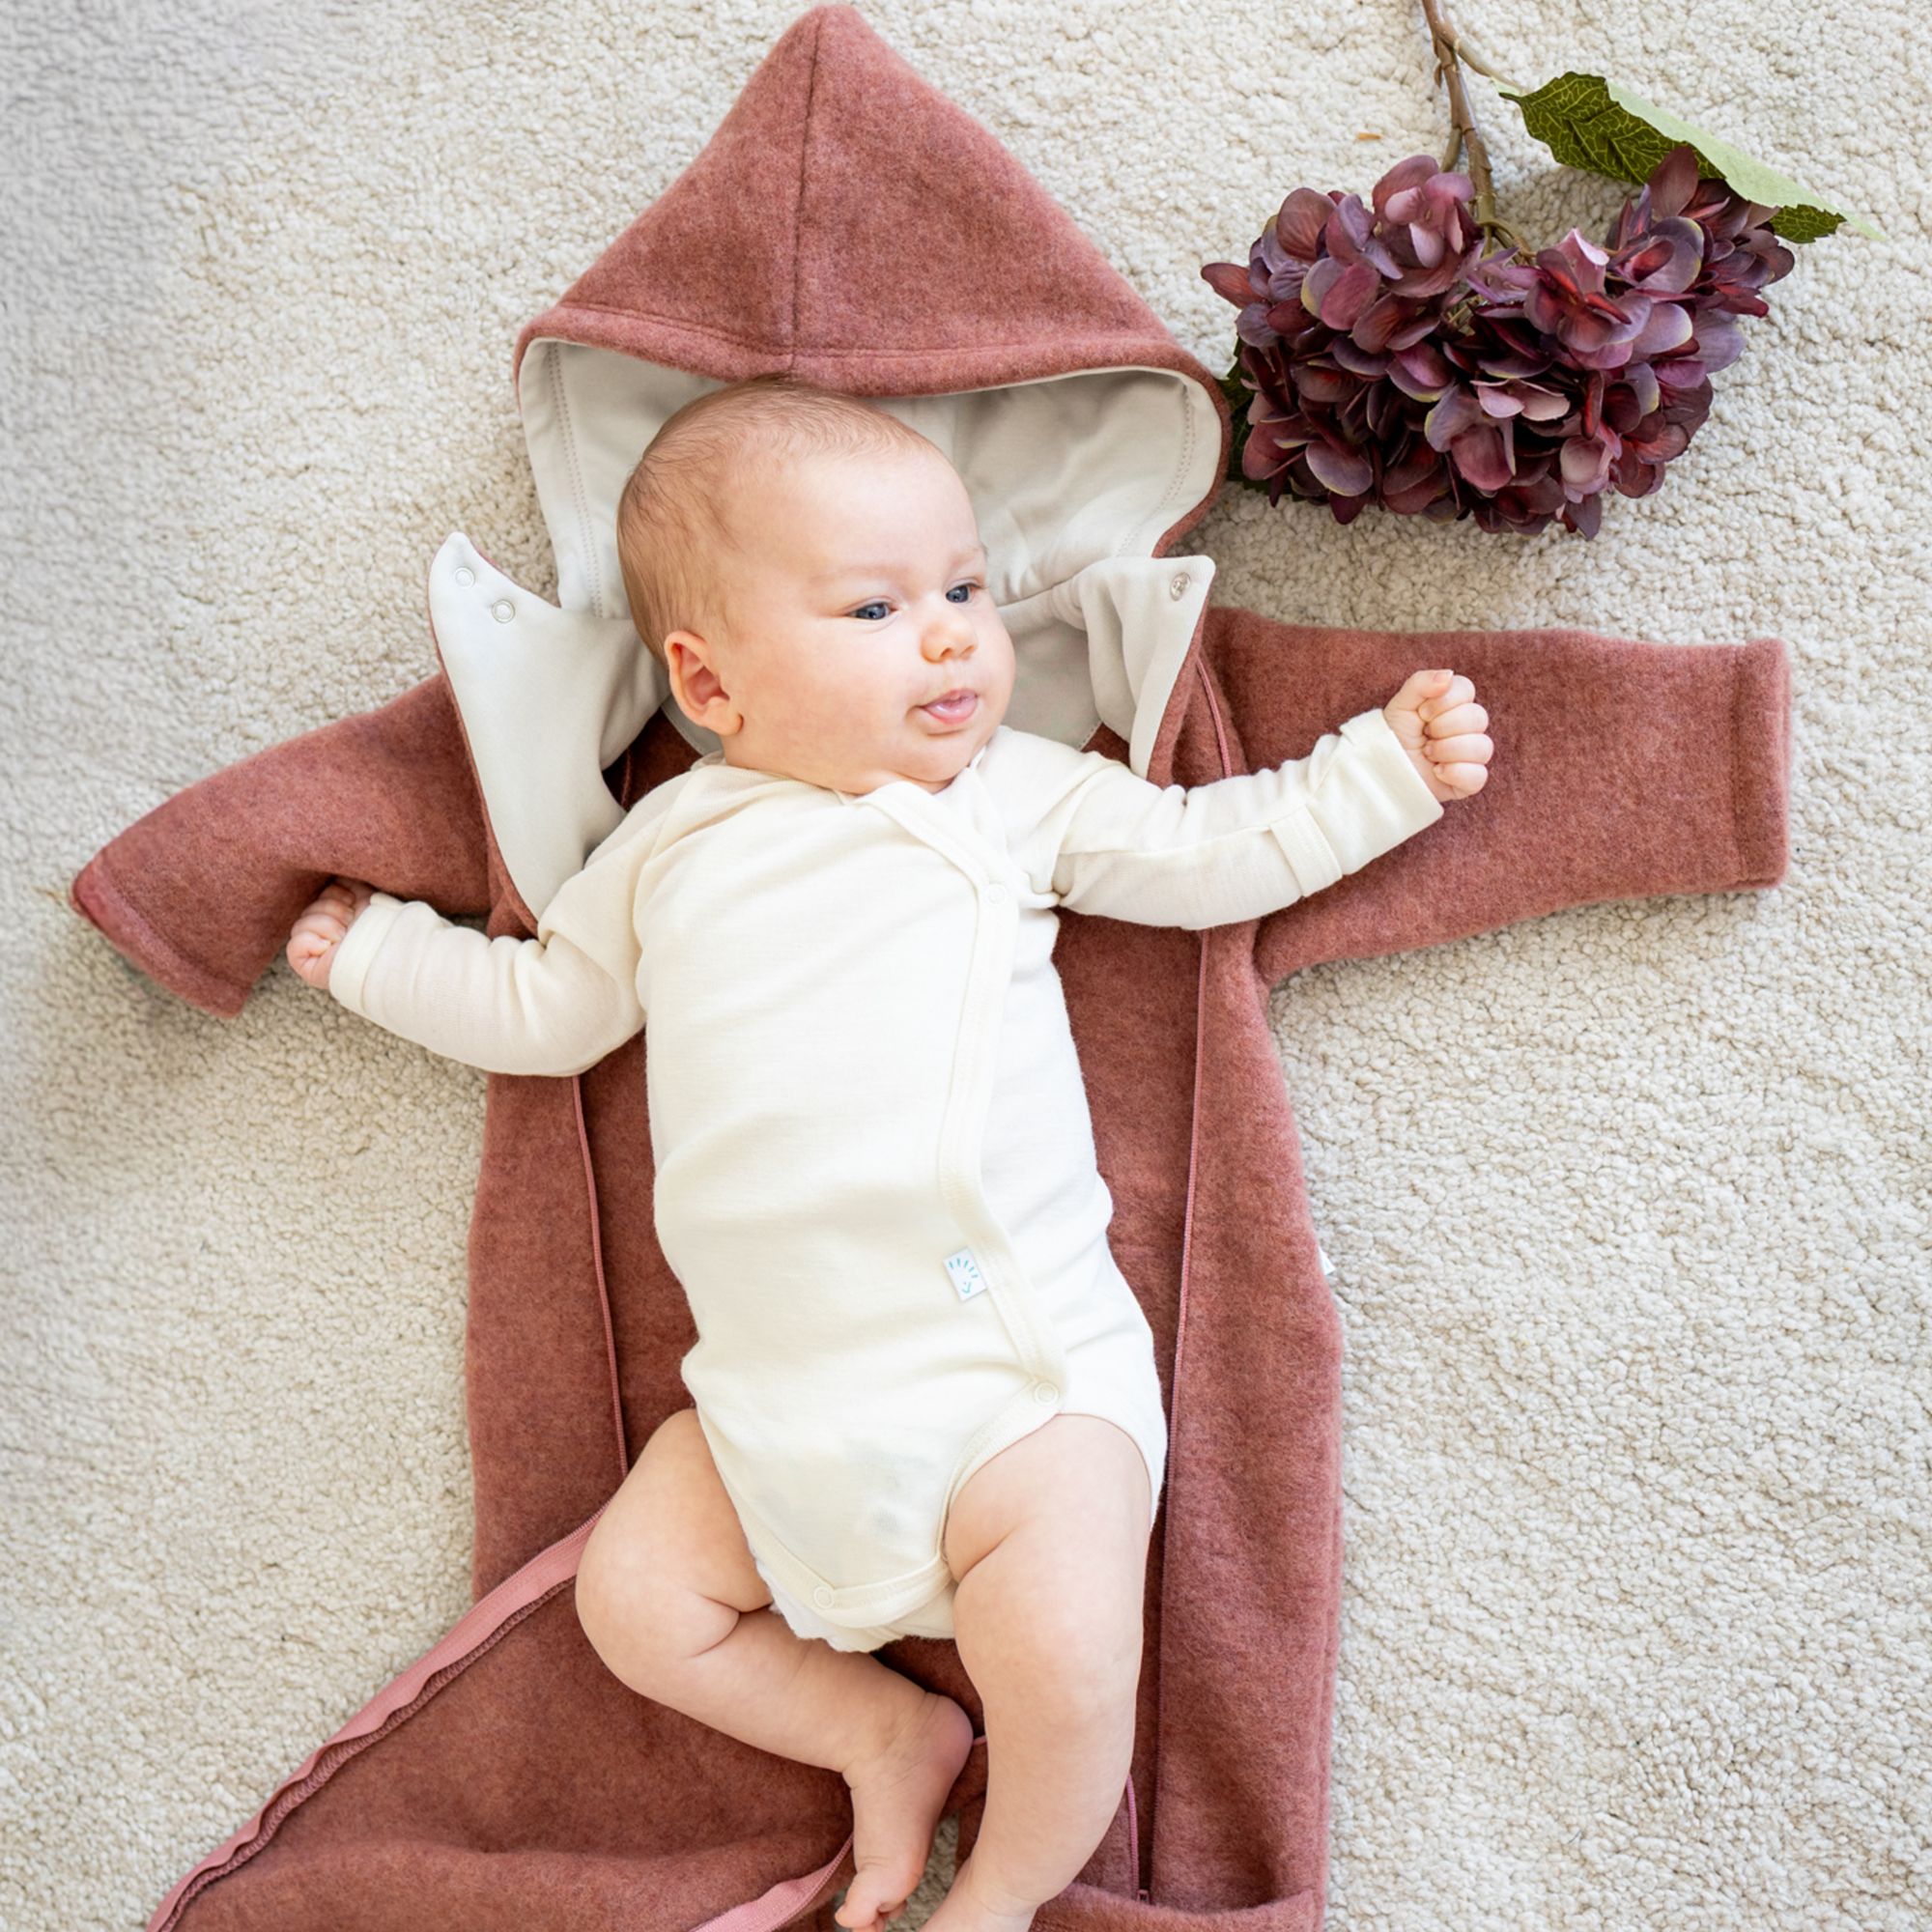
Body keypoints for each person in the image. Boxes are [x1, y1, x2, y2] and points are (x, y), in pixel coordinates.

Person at [283, 375, 1492, 1932]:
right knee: (633, 1603)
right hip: (769, 1415)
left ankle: (1000, 1893)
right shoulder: (666, 848)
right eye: (875, 606)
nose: (951, 639)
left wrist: (1381, 774)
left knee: (1065, 1650)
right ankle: (878, 1733)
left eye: (967, 591)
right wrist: (381, 959)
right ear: (709, 682)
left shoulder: (999, 798)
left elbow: (1205, 852)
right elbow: (547, 1008)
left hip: (1014, 1381)